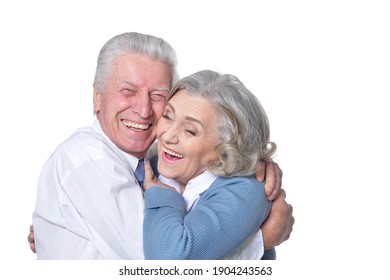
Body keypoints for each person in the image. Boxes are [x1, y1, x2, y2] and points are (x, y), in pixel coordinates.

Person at [30, 32, 294, 259]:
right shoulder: (90, 161)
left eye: (158, 97)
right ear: (97, 98)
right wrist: (261, 241)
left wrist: (249, 159)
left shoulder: (152, 160)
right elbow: (158, 264)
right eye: (128, 91)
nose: (144, 110)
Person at [142, 70, 278, 259]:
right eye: (167, 116)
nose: (167, 136)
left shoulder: (246, 189)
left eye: (190, 131)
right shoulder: (153, 162)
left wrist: (162, 195)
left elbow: (169, 261)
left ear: (226, 149)